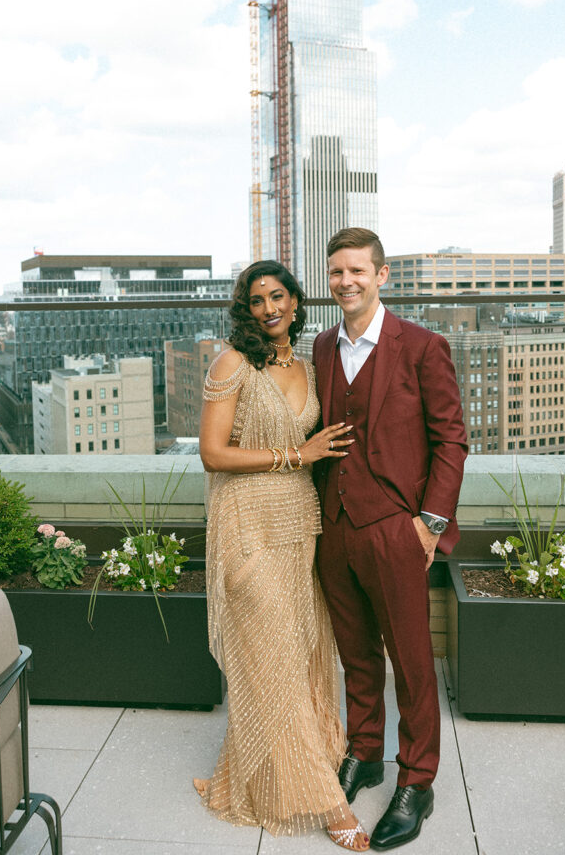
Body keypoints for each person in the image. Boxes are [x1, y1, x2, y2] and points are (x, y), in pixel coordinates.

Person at [194, 260, 371, 851]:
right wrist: (297, 455)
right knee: (272, 654)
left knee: (298, 655)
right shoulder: (232, 363)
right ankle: (327, 800)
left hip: (300, 526)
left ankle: (279, 773)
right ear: (244, 309)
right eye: (255, 300)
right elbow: (213, 454)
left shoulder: (311, 362)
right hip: (246, 526)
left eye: (277, 297)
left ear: (296, 301)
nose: (268, 309)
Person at [312, 228, 468, 851]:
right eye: (335, 273)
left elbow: (451, 441)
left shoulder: (422, 347)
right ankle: (367, 752)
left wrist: (429, 524)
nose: (345, 282)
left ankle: (418, 781)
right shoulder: (322, 347)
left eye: (356, 271)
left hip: (397, 528)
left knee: (411, 663)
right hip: (337, 526)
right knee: (355, 654)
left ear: (382, 277)